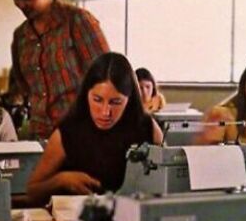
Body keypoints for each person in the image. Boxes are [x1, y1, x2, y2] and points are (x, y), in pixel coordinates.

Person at [1, 0, 110, 140]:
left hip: (82, 136)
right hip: (41, 138)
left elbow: (108, 78)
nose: (21, 5)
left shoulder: (77, 21)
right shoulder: (21, 37)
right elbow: (26, 88)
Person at [26, 52, 163, 206]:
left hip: (136, 220)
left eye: (115, 102)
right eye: (97, 100)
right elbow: (32, 192)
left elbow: (170, 180)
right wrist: (61, 180)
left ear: (129, 99)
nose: (105, 112)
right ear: (86, 95)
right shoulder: (68, 132)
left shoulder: (148, 128)